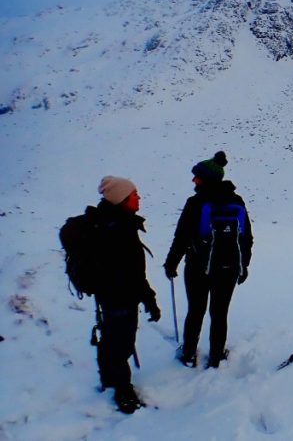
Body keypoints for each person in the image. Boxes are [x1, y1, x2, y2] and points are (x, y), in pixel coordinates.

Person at [163, 151, 253, 369]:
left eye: (197, 177)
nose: (194, 180)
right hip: (229, 267)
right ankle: (216, 356)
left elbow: (182, 237)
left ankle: (188, 355)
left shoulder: (195, 203)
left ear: (206, 179)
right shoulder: (236, 201)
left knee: (195, 311)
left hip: (197, 267)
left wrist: (171, 263)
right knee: (220, 313)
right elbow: (246, 238)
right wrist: (244, 266)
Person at [90, 175, 161, 414]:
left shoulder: (110, 222)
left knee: (111, 338)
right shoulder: (118, 229)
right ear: (122, 199)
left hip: (111, 296)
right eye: (134, 195)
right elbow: (132, 272)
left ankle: (109, 379)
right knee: (121, 343)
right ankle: (123, 392)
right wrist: (148, 298)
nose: (138, 198)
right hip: (120, 296)